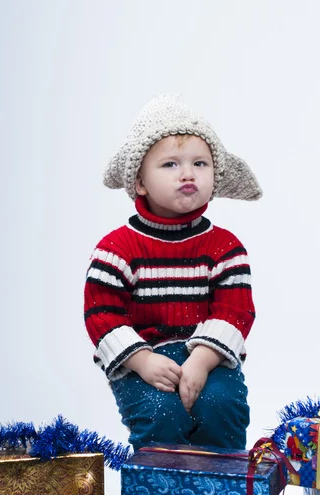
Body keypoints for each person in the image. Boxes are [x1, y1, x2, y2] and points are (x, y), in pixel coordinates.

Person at [84, 94, 262, 451]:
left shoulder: (225, 248)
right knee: (159, 413)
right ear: (140, 182)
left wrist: (201, 358)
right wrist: (142, 359)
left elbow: (235, 312)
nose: (187, 174)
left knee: (221, 405)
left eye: (200, 163)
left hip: (209, 357)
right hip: (143, 359)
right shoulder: (117, 250)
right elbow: (102, 315)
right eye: (170, 165)